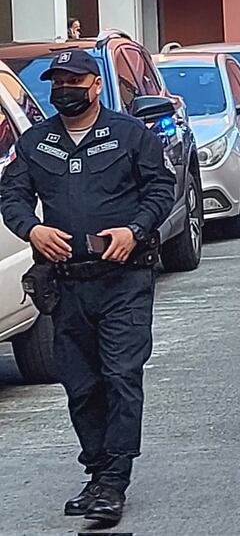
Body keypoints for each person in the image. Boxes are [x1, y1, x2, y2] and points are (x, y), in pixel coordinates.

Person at [0, 49, 175, 526]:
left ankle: (114, 482)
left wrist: (134, 230)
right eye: (58, 82)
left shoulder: (130, 135)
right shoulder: (37, 143)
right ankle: (97, 473)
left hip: (122, 280)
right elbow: (12, 195)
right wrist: (32, 229)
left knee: (121, 376)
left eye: (74, 81)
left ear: (96, 85)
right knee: (80, 385)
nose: (65, 90)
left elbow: (161, 189)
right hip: (67, 285)